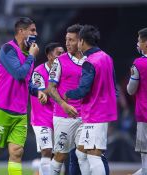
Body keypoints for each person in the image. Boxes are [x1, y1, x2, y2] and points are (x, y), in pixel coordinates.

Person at [0, 17, 46, 175]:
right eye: (32, 30)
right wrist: (32, 57)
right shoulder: (8, 49)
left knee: (17, 152)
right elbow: (19, 74)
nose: (36, 33)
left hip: (20, 112)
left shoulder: (27, 54)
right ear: (21, 31)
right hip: (1, 107)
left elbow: (26, 81)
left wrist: (37, 91)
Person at [65, 25, 117, 175]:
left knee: (94, 156)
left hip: (95, 113)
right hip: (103, 111)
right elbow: (114, 86)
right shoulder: (106, 57)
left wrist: (68, 94)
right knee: (81, 152)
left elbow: (83, 90)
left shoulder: (89, 62)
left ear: (81, 41)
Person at [44, 24, 84, 175]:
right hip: (63, 116)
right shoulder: (59, 61)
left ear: (81, 41)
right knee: (61, 155)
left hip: (85, 116)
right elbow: (50, 87)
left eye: (71, 40)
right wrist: (63, 104)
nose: (67, 43)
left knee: (84, 155)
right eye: (66, 39)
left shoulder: (90, 60)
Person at [30, 42, 64, 175]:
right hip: (42, 118)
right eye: (59, 53)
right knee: (47, 150)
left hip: (59, 117)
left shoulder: (64, 69)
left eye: (63, 53)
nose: (62, 56)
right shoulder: (38, 71)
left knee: (58, 154)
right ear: (50, 56)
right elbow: (40, 90)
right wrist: (45, 93)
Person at [127, 27, 147, 175]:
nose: (137, 44)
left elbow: (130, 90)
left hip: (146, 115)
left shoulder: (139, 64)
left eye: (139, 41)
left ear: (146, 43)